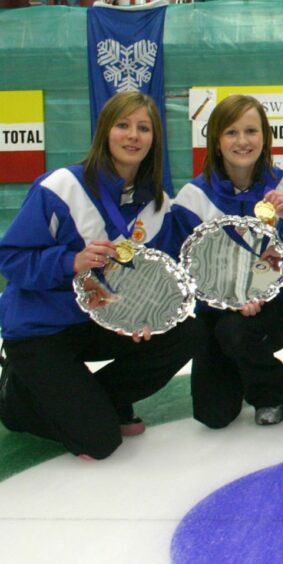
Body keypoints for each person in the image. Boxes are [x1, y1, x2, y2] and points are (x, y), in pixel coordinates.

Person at [0, 92, 195, 460]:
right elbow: (10, 258)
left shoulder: (157, 205)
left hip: (101, 322)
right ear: (105, 131)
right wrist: (70, 262)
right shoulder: (61, 187)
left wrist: (149, 315)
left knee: (186, 333)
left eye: (143, 128)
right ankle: (15, 398)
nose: (133, 135)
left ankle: (99, 400)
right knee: (100, 443)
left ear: (154, 139)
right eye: (123, 125)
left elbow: (161, 278)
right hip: (40, 329)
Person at [172, 95, 283, 428]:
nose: (242, 141)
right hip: (216, 310)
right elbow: (186, 271)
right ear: (217, 142)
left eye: (251, 131)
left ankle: (270, 393)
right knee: (213, 416)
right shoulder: (192, 199)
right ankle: (239, 364)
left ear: (264, 138)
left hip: (276, 309)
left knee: (236, 332)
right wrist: (227, 299)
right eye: (231, 132)